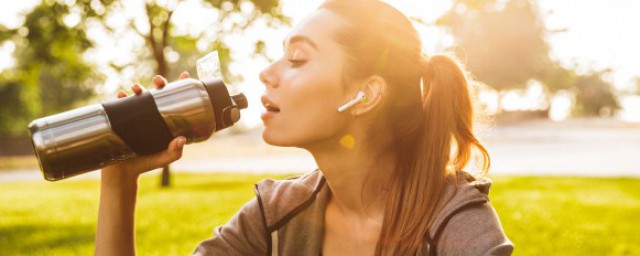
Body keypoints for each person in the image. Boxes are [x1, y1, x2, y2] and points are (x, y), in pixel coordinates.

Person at [95, 0, 514, 255]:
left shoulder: (455, 224)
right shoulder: (276, 214)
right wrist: (119, 178)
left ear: (365, 96)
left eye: (297, 59)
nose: (267, 73)